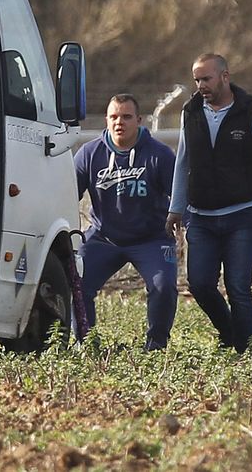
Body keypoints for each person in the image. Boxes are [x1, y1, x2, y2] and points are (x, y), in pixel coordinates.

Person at [166, 53, 252, 353]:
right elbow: (182, 162)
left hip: (242, 216)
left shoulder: (250, 112)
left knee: (238, 287)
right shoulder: (190, 112)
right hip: (200, 217)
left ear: (225, 77)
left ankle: (247, 351)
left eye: (207, 78)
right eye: (197, 79)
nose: (201, 85)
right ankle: (230, 333)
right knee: (200, 284)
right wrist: (176, 207)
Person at [75, 94, 179, 350]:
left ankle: (156, 346)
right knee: (77, 283)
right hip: (104, 238)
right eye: (113, 117)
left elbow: (180, 198)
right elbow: (65, 195)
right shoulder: (89, 154)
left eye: (126, 117)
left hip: (152, 238)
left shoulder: (160, 155)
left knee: (163, 287)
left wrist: (185, 225)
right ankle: (87, 344)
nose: (119, 122)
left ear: (139, 120)